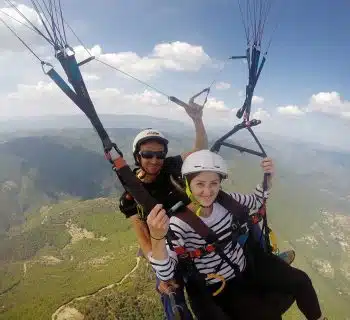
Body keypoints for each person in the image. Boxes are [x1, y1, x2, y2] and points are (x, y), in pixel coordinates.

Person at [146, 150, 326, 320]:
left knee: (301, 281)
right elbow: (167, 272)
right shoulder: (180, 223)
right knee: (266, 316)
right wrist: (157, 237)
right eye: (200, 184)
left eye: (213, 184)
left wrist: (267, 179)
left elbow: (256, 200)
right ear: (188, 185)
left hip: (247, 266)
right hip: (221, 285)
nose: (208, 192)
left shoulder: (228, 201)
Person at [119, 98, 208, 320]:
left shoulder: (170, 165)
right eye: (148, 154)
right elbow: (143, 238)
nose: (155, 160)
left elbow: (200, 151)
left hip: (192, 233)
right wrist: (161, 271)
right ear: (137, 156)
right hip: (166, 247)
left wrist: (197, 120)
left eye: (160, 154)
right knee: (173, 296)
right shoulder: (132, 195)